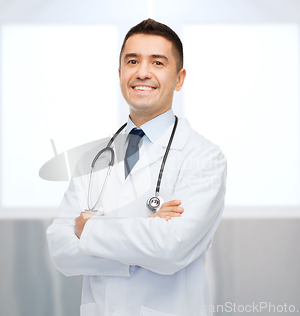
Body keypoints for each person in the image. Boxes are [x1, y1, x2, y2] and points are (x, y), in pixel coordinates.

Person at [46, 18, 227, 316]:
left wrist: (89, 228)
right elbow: (61, 250)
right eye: (132, 61)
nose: (142, 72)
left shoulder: (203, 157)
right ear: (120, 73)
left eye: (158, 62)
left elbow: (171, 248)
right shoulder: (93, 158)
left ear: (179, 78)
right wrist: (147, 230)